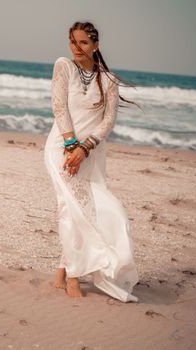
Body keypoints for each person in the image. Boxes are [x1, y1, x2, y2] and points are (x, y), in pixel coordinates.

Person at [43, 21, 139, 302]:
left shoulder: (108, 80)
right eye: (73, 41)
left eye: (83, 42)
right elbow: (59, 106)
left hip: (91, 155)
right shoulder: (64, 66)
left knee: (101, 211)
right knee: (71, 209)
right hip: (60, 149)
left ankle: (61, 275)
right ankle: (74, 276)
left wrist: (85, 149)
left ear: (96, 45)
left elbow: (107, 122)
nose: (77, 48)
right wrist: (71, 146)